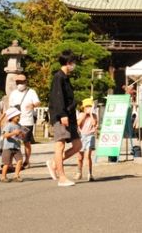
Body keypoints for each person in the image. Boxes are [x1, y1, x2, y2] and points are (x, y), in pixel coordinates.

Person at [47, 50, 82, 187]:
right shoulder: (58, 77)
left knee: (78, 145)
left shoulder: (66, 78)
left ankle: (54, 163)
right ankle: (61, 177)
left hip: (70, 116)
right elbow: (57, 97)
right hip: (61, 116)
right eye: (73, 62)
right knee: (60, 145)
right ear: (68, 63)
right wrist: (62, 115)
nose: (74, 65)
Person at [8, 74, 41, 168]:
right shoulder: (13, 93)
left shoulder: (31, 92)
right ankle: (15, 161)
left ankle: (27, 160)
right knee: (14, 141)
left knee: (26, 141)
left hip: (27, 121)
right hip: (15, 122)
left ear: (25, 82)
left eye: (21, 82)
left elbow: (38, 102)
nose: (19, 84)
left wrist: (33, 105)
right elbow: (10, 107)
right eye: (17, 82)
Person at [0, 107, 25, 182]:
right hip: (8, 147)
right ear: (11, 117)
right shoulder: (8, 125)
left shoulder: (20, 126)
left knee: (20, 160)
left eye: (19, 116)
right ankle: (3, 177)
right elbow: (4, 135)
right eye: (16, 116)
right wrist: (14, 133)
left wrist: (22, 134)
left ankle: (16, 175)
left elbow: (21, 136)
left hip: (16, 146)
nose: (18, 117)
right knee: (6, 163)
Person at [76, 98, 97, 182]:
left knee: (87, 156)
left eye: (90, 107)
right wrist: (85, 114)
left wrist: (91, 114)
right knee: (79, 157)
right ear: (83, 108)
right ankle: (79, 172)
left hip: (90, 136)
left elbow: (94, 123)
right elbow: (78, 123)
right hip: (81, 136)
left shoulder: (94, 115)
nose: (88, 108)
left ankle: (90, 173)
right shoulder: (81, 114)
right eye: (86, 107)